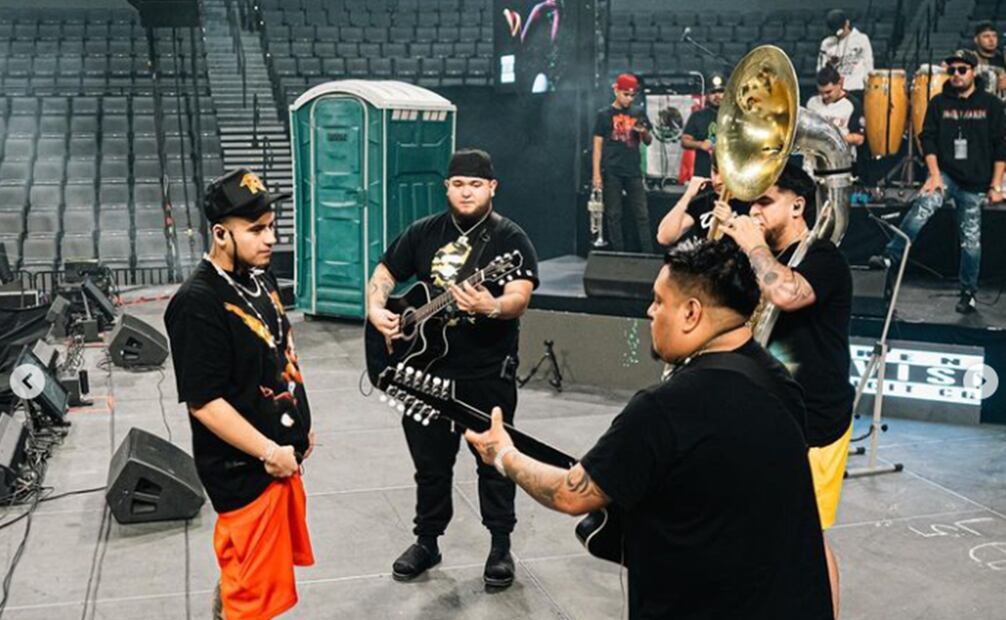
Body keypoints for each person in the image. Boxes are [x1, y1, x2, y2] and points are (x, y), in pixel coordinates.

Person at [465, 239, 833, 620]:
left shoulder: (665, 407)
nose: (650, 312)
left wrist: (503, 456)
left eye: (659, 301)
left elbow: (570, 495)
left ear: (691, 312)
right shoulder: (781, 384)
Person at [366, 148, 539, 588]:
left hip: (485, 371)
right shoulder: (423, 232)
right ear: (447, 187)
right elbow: (385, 273)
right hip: (422, 373)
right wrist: (375, 310)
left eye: (476, 184)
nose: (466, 192)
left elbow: (519, 295)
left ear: (492, 188)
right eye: (459, 184)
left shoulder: (510, 240)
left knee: (495, 461)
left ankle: (500, 546)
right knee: (430, 463)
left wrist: (493, 305)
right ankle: (427, 541)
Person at [164, 168, 315, 620]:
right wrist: (270, 451)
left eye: (271, 226)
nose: (270, 238)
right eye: (255, 230)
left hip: (280, 460)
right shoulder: (198, 302)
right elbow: (204, 403)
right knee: (249, 593)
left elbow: (280, 353)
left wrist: (304, 422)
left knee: (257, 582)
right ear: (219, 233)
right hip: (244, 470)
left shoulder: (260, 279)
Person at [720, 161, 853, 619]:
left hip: (815, 420)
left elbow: (787, 294)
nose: (753, 210)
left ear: (797, 204)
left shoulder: (823, 256)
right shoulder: (757, 260)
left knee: (808, 537)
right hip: (767, 416)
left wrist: (754, 246)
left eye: (764, 200)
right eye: (750, 200)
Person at [869, 50, 1006, 314]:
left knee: (971, 240)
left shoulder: (991, 104)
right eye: (952, 70)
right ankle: (890, 256)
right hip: (946, 174)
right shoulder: (938, 102)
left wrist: (996, 185)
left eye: (962, 70)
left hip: (976, 182)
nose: (956, 74)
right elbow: (927, 138)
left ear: (974, 72)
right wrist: (933, 175)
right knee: (922, 208)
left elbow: (1001, 147)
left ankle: (968, 293)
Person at [592, 73, 655, 253]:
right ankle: (618, 253)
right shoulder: (604, 115)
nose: (629, 99)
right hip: (612, 170)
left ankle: (648, 253)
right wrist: (596, 173)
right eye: (625, 94)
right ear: (616, 91)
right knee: (614, 215)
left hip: (633, 170)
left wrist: (643, 132)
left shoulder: (638, 112)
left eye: (632, 95)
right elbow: (597, 145)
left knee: (642, 215)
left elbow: (649, 141)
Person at [655, 161, 748, 246]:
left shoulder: (751, 204)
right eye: (715, 172)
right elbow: (664, 237)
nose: (717, 181)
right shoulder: (703, 202)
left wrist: (731, 222)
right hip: (705, 261)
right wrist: (688, 195)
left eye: (723, 174)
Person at [807, 65, 866, 150]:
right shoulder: (812, 102)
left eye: (828, 92)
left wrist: (832, 138)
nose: (824, 96)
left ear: (839, 84)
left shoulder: (852, 104)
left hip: (840, 155)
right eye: (821, 92)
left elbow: (860, 138)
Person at [818, 9, 874, 94]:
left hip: (857, 88)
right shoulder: (827, 43)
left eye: (841, 30)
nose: (839, 34)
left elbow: (868, 64)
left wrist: (868, 85)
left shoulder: (862, 39)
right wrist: (829, 65)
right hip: (836, 91)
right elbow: (821, 70)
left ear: (847, 23)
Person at [681, 72, 725, 179]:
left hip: (730, 174)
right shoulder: (698, 116)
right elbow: (684, 140)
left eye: (721, 91)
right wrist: (701, 145)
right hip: (703, 173)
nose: (717, 95)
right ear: (707, 95)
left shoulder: (735, 116)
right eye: (713, 92)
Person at [970, 21, 1006, 93]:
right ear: (976, 40)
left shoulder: (1003, 59)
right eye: (986, 36)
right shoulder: (969, 58)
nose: (991, 40)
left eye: (994, 36)